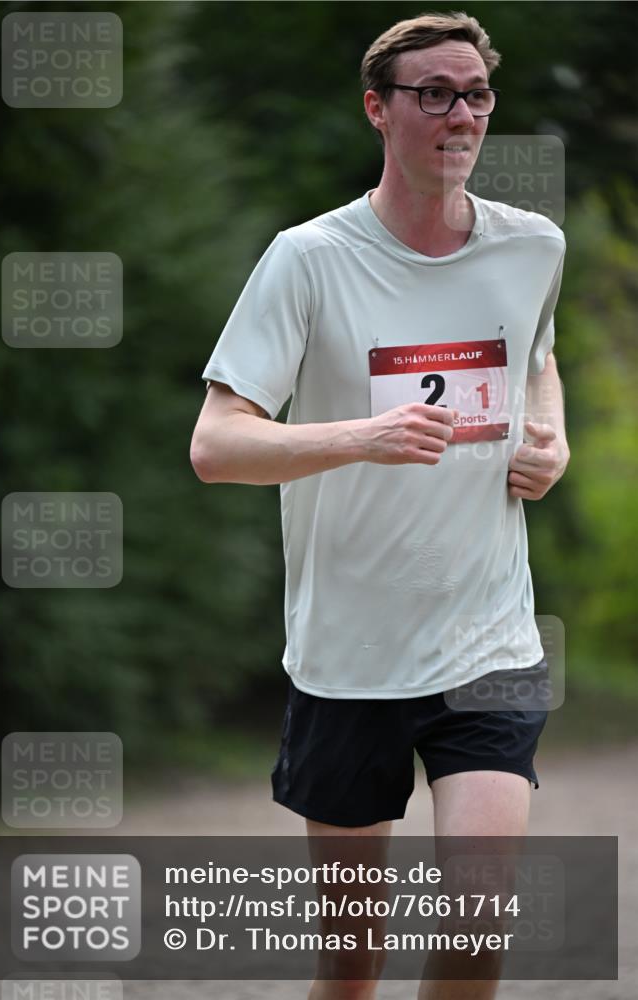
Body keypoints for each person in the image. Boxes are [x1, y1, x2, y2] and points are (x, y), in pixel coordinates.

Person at [191, 11, 569, 999]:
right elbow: (216, 444)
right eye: (432, 93)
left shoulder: (532, 248)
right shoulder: (307, 260)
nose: (460, 113)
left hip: (486, 640)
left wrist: (549, 433)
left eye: (475, 93)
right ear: (378, 108)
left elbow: (537, 356)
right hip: (349, 656)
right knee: (352, 970)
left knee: (473, 934)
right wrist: (358, 437)